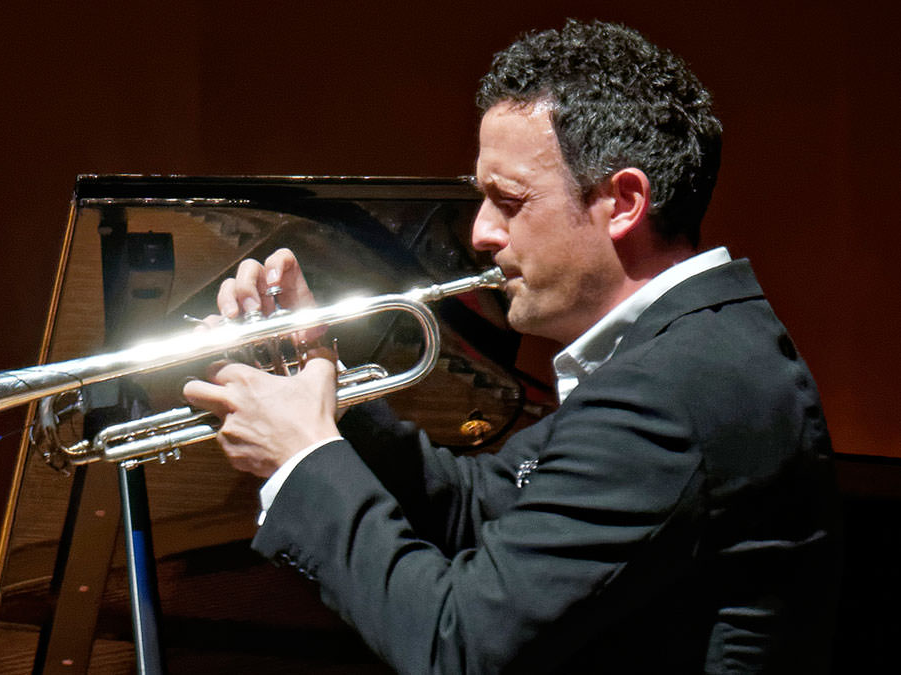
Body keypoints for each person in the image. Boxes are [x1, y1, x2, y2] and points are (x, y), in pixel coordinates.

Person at [183, 20, 840, 673]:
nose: (481, 232)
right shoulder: (685, 349)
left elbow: (460, 646)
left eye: (509, 200)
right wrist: (320, 383)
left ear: (623, 201)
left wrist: (301, 456)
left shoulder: (675, 390)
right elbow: (476, 507)